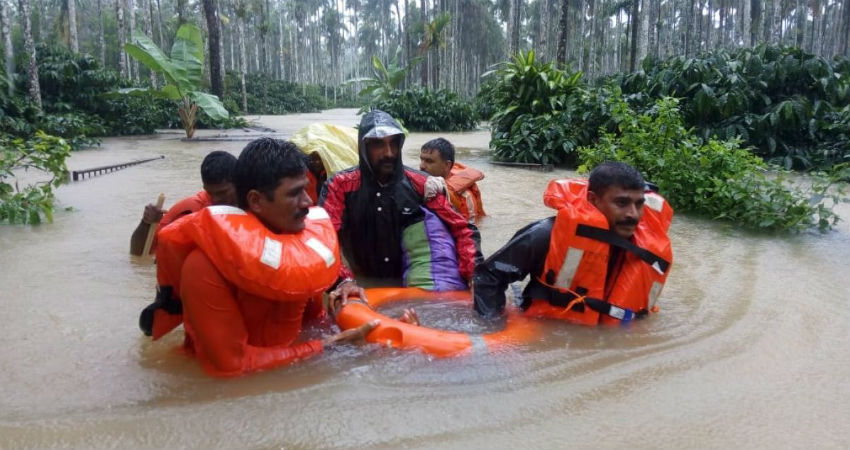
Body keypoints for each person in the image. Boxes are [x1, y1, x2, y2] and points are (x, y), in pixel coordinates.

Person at [141, 138, 376, 377]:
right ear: (256, 201)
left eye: (306, 189)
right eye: (294, 193)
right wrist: (329, 347)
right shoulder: (202, 267)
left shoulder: (300, 253)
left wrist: (377, 333)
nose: (308, 202)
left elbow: (316, 324)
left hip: (290, 368)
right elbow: (231, 366)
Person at [473, 161, 674, 326]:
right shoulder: (546, 234)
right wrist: (494, 326)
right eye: (622, 203)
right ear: (593, 200)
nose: (633, 214)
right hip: (545, 326)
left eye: (639, 204)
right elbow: (489, 276)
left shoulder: (647, 250)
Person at [319, 110, 481, 287]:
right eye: (379, 145)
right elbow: (325, 239)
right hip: (360, 282)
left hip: (408, 285)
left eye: (394, 144)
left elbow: (462, 228)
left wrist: (474, 275)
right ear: (364, 147)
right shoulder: (339, 186)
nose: (389, 153)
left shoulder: (422, 184)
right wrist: (344, 281)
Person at [129, 151, 237, 256]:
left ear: (239, 183)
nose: (216, 199)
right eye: (210, 193)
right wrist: (146, 223)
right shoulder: (190, 210)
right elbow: (138, 253)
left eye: (222, 193)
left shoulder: (251, 205)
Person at [419, 138, 486, 223]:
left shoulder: (465, 197)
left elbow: (471, 229)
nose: (421, 166)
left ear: (447, 165)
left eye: (429, 161)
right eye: (421, 159)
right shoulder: (418, 182)